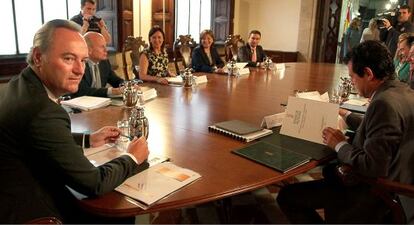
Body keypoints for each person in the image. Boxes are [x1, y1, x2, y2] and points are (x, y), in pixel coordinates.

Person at [0, 19, 149, 223]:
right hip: (33, 211)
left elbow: (36, 136)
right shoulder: (42, 110)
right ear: (38, 57)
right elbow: (94, 184)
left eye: (83, 61)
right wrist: (132, 157)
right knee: (120, 210)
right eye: (69, 58)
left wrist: (88, 140)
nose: (80, 70)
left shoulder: (20, 84)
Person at [277, 40, 414, 223]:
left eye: (352, 77)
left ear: (368, 73)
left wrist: (339, 144)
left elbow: (372, 166)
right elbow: (379, 128)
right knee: (330, 171)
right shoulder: (403, 91)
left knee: (287, 196)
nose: (352, 82)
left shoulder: (383, 103)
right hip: (400, 180)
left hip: (378, 195)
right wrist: (345, 113)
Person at [71, 32, 123, 98]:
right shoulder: (79, 64)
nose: (106, 50)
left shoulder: (104, 62)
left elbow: (116, 80)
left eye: (106, 46)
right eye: (102, 47)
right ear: (89, 50)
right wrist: (110, 91)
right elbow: (82, 91)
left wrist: (128, 85)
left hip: (101, 104)